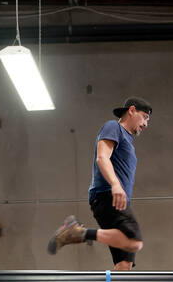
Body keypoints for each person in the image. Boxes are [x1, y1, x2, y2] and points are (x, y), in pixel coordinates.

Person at [47, 97, 152, 270]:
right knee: (134, 241)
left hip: (117, 199)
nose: (146, 124)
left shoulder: (129, 143)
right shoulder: (114, 127)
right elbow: (102, 157)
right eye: (145, 117)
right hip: (108, 195)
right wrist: (115, 185)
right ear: (132, 110)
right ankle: (77, 233)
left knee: (124, 264)